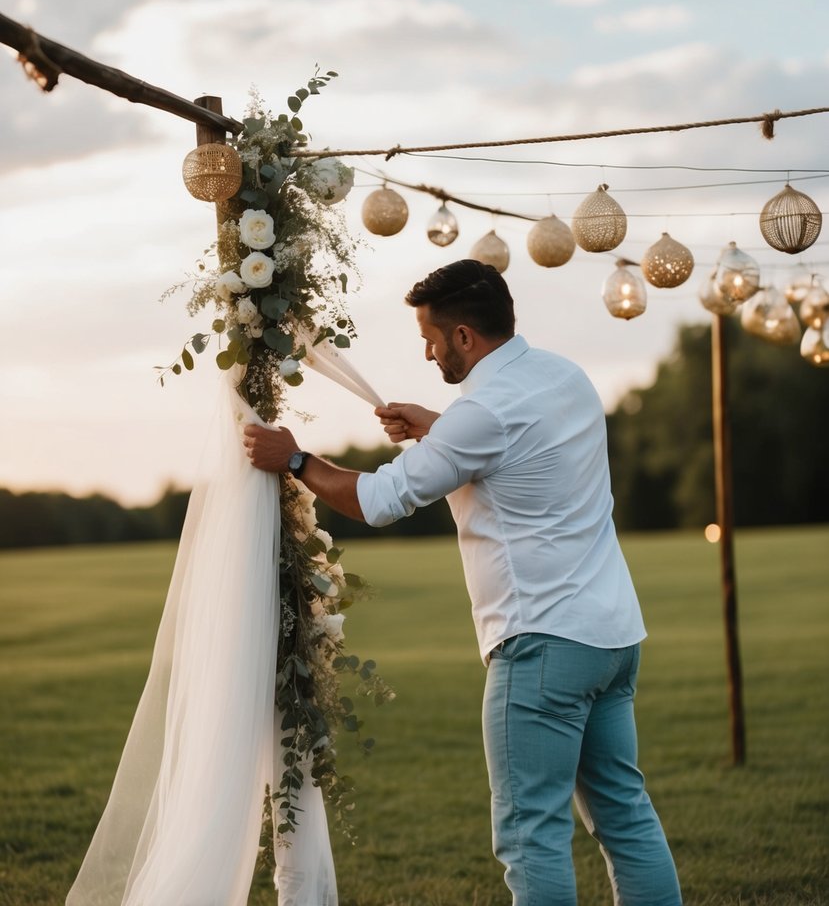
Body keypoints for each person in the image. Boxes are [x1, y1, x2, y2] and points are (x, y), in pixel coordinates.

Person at [244, 259, 682, 906]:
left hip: (540, 644)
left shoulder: (482, 413)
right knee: (623, 815)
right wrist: (438, 426)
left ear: (465, 338)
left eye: (430, 337)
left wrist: (297, 459)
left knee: (529, 834)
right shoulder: (562, 377)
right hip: (611, 637)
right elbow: (516, 447)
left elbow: (377, 499)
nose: (426, 352)